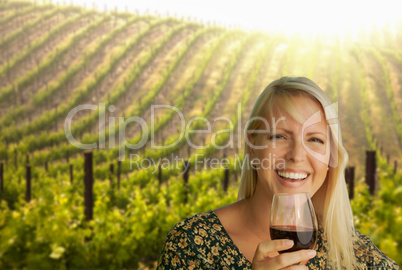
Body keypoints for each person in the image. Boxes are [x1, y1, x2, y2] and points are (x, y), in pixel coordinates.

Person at [156, 77, 399, 269]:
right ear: (253, 145)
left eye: (315, 139)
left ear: (330, 157)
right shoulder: (192, 245)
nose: (297, 155)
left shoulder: (353, 253)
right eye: (279, 136)